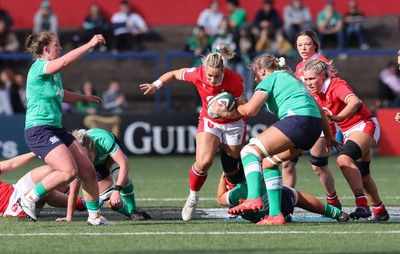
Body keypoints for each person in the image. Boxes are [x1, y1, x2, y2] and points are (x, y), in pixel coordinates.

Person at [224, 54, 339, 225]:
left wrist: (233, 108)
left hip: (298, 120)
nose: (255, 79)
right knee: (269, 163)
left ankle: (253, 198)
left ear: (262, 70)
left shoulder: (269, 79)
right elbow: (320, 111)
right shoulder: (292, 79)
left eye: (256, 74)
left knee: (249, 151)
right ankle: (276, 215)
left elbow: (251, 110)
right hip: (313, 127)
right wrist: (329, 136)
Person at [140, 45, 246, 221]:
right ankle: (193, 197)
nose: (212, 79)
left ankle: (233, 192)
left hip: (233, 122)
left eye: (216, 76)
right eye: (209, 75)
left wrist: (227, 113)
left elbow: (244, 108)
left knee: (232, 166)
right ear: (204, 69)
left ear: (224, 71)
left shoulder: (234, 80)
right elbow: (174, 74)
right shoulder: (197, 74)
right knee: (203, 162)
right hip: (209, 120)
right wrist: (156, 85)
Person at [20, 31, 113, 225]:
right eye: (57, 45)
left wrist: (83, 98)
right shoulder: (39, 67)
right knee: (68, 172)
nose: (60, 49)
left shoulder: (53, 76)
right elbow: (63, 63)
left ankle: (94, 216)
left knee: (87, 170)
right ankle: (29, 198)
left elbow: (61, 94)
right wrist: (89, 45)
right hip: (39, 130)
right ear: (46, 49)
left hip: (55, 128)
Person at [303, 59, 390, 221]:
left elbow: (354, 102)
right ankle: (379, 210)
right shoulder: (313, 93)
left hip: (365, 124)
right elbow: (325, 117)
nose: (308, 83)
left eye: (312, 79)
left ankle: (362, 205)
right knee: (363, 175)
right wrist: (329, 137)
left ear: (323, 76)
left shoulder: (335, 84)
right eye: (306, 79)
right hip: (348, 131)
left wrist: (338, 117)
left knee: (343, 160)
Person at [282, 29, 341, 211]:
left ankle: (333, 201)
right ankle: (287, 203)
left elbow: (331, 91)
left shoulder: (321, 63)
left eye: (307, 43)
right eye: (299, 45)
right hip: (301, 117)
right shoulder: (301, 66)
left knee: (318, 165)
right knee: (287, 163)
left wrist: (330, 122)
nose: (303, 48)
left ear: (315, 43)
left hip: (318, 119)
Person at [56, 128, 150, 221]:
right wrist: (69, 216)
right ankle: (132, 215)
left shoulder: (103, 140)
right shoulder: (79, 160)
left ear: (92, 148)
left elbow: (124, 164)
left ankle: (133, 210)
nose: (87, 160)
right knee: (111, 202)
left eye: (88, 156)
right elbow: (74, 191)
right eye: (83, 158)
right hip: (98, 164)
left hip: (109, 155)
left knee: (119, 176)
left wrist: (117, 190)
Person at [217, 172, 349, 223]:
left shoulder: (236, 193)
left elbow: (220, 198)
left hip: (257, 216)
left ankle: (276, 216)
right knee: (300, 198)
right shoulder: (257, 173)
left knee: (233, 203)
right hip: (283, 200)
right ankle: (336, 213)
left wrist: (223, 178)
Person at [0, 152, 86, 218]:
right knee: (44, 191)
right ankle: (81, 204)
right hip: (11, 207)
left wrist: (35, 153)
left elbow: (9, 164)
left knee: (50, 171)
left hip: (15, 190)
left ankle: (71, 197)